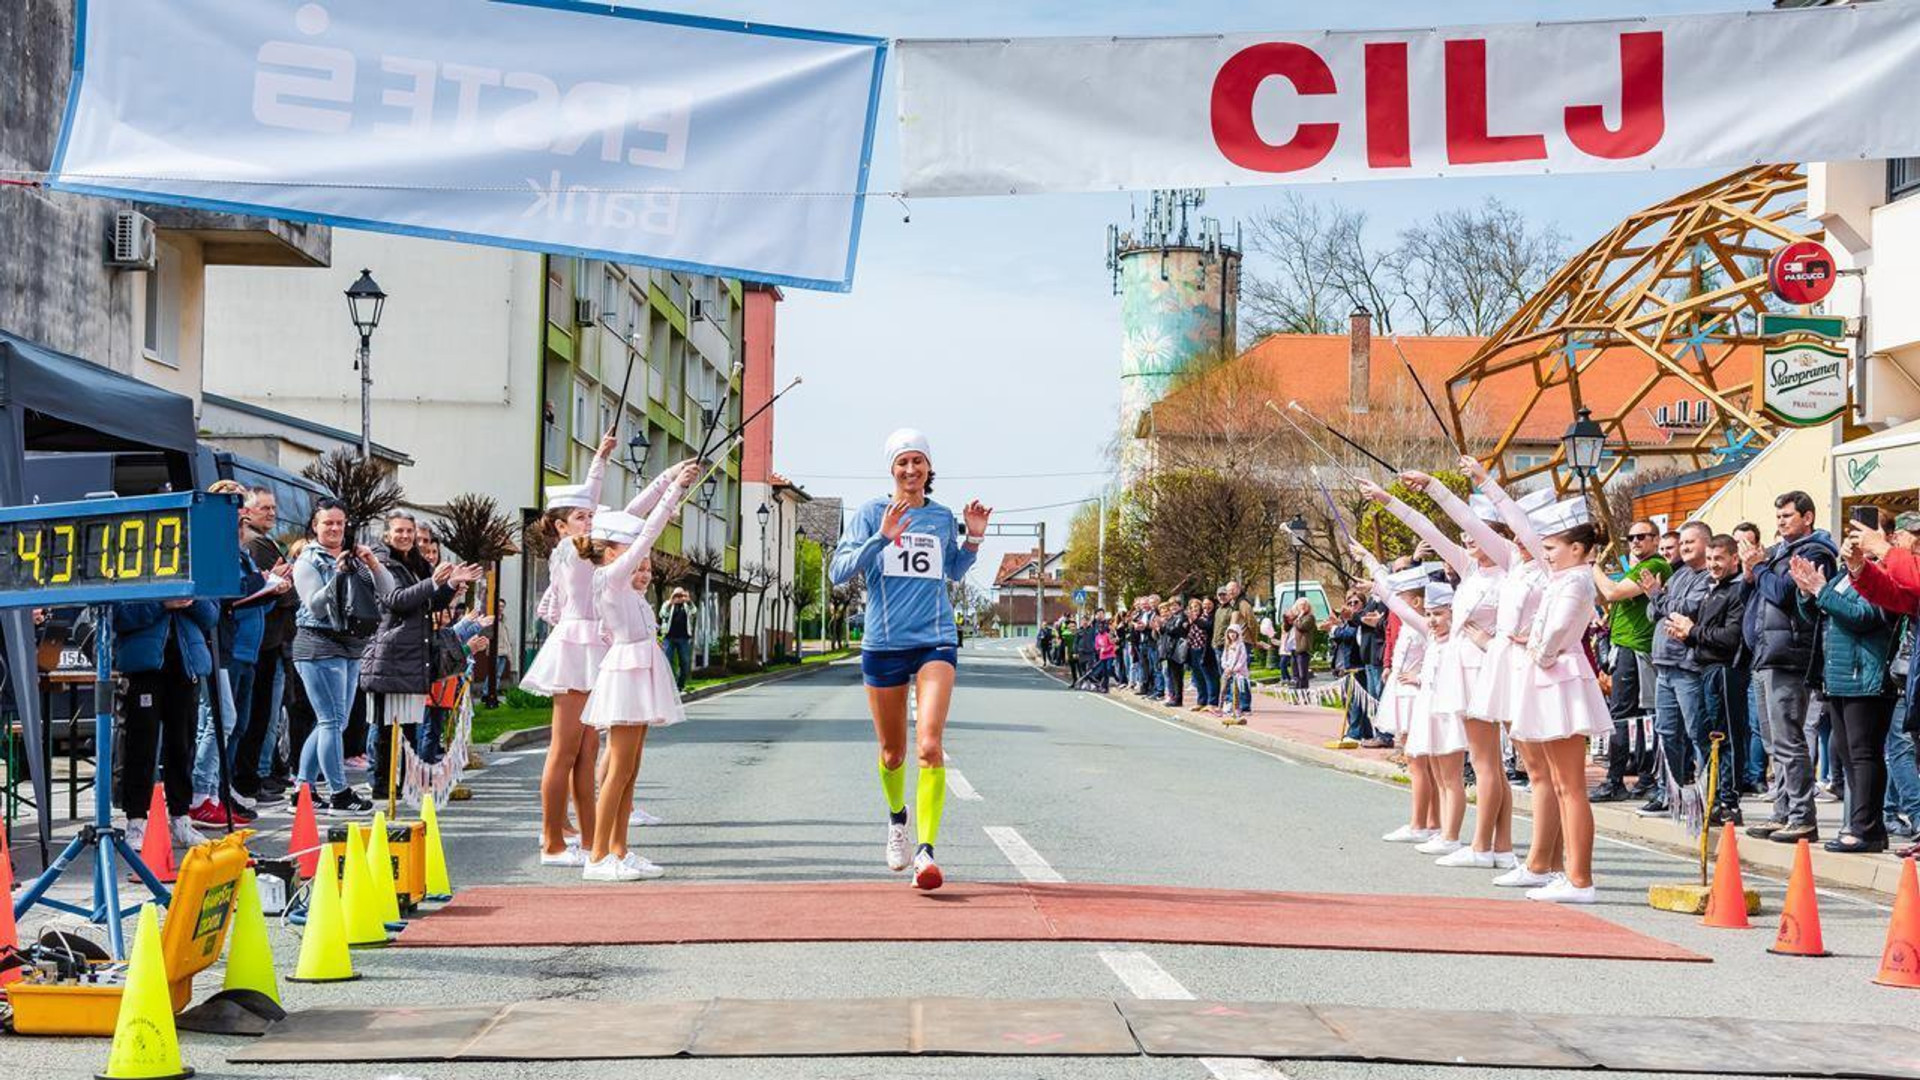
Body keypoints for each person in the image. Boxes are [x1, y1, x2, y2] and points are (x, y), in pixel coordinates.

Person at [830, 429, 989, 891]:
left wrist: (974, 540)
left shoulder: (940, 518)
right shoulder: (869, 515)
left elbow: (953, 571)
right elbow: (840, 572)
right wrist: (881, 539)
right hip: (883, 643)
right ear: (891, 469)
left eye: (918, 461)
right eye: (903, 462)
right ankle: (898, 820)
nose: (911, 470)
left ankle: (926, 852)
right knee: (893, 752)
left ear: (929, 469)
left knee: (929, 746)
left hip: (935, 639)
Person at [1375, 470, 1518, 870]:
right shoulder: (1471, 570)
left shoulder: (1508, 567)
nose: (1468, 539)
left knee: (1490, 764)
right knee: (1489, 764)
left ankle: (1482, 845)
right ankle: (1499, 848)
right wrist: (1390, 500)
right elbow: (1430, 529)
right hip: (1464, 671)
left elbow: (1464, 521)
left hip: (1486, 669)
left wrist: (1437, 488)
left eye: (1477, 533)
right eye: (1467, 536)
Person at [578, 460, 702, 881]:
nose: (641, 558)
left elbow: (643, 527)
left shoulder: (625, 583)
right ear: (612, 550)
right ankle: (597, 858)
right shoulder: (609, 577)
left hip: (641, 668)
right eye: (631, 550)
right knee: (618, 768)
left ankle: (619, 848)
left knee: (630, 768)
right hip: (626, 673)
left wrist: (671, 481)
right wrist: (674, 492)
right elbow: (648, 529)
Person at [1460, 471, 1561, 888]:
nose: (1520, 541)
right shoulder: (1516, 562)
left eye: (1527, 532)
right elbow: (1467, 527)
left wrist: (1487, 482)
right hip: (1512, 667)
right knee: (1537, 769)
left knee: (1544, 772)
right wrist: (1432, 491)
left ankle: (1543, 864)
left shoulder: (1544, 565)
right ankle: (1550, 862)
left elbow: (1511, 520)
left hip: (1535, 668)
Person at [1510, 497, 1612, 904]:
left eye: (1551, 548)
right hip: (1553, 677)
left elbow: (1554, 633)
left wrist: (1539, 652)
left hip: (1561, 677)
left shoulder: (1576, 581)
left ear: (1577, 548)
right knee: (1559, 782)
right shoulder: (1564, 578)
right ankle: (1569, 874)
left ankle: (1580, 878)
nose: (1546, 555)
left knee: (1570, 786)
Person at [1791, 523, 1898, 853]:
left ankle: (1866, 828)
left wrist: (1821, 590)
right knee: (1848, 755)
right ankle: (1864, 825)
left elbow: (1864, 616)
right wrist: (1806, 592)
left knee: (1864, 753)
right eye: (1850, 536)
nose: (1855, 542)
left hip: (1865, 677)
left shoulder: (1883, 575)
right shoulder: (1843, 575)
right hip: (1836, 676)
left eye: (1863, 536)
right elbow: (1819, 616)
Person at [362, 512, 482, 804]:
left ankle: (404, 782)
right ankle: (382, 784)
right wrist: (434, 582)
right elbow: (397, 600)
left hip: (414, 652)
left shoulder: (414, 562)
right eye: (399, 531)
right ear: (387, 534)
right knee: (387, 725)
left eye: (409, 531)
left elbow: (430, 602)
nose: (405, 536)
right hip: (391, 653)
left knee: (411, 726)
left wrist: (451, 585)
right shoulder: (382, 561)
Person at [1744, 491, 1840, 846]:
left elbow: (1783, 593)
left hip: (1791, 655)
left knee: (1789, 739)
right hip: (1768, 653)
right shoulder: (1779, 554)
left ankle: (1802, 816)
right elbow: (1755, 596)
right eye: (1779, 516)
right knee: (1774, 742)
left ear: (1808, 517)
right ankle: (1782, 811)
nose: (1781, 522)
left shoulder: (1815, 552)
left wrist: (1759, 567)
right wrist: (1752, 571)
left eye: (1788, 516)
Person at [291, 498, 393, 815]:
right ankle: (339, 793)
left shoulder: (352, 557)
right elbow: (316, 605)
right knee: (331, 721)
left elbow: (387, 590)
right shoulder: (308, 560)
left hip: (351, 645)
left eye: (339, 522)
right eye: (328, 523)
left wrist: (372, 563)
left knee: (333, 722)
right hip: (318, 645)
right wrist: (337, 575)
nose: (335, 528)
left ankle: (302, 792)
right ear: (315, 526)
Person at [116, 590, 222, 855]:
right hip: (144, 668)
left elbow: (211, 616)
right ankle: (136, 820)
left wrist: (192, 599)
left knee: (182, 745)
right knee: (141, 745)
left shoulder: (193, 567)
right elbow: (119, 616)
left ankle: (181, 816)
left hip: (186, 667)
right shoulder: (136, 569)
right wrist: (161, 603)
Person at [1353, 549, 1441, 847]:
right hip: (1402, 693)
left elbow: (1435, 658)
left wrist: (1370, 560)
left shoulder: (1419, 623)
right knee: (1418, 762)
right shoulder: (1410, 624)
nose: (1397, 602)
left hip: (1415, 694)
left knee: (1419, 762)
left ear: (1415, 601)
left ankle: (1422, 824)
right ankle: (1430, 823)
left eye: (1403, 597)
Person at [1848, 512, 1920, 852]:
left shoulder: (1904, 559)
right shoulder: (1905, 561)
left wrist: (1885, 551)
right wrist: (1860, 569)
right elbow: (1898, 597)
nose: (1906, 543)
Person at [1668, 534, 1749, 825]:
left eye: (1720, 559)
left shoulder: (1737, 591)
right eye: (1711, 559)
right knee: (1709, 735)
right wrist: (1687, 636)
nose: (1714, 565)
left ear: (1734, 560)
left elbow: (1731, 637)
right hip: (1706, 669)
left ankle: (1730, 801)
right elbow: (1705, 635)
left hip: (1727, 671)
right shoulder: (1713, 590)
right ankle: (1715, 795)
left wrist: (1693, 632)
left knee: (1726, 737)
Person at [1588, 520, 1670, 803]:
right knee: (1633, 716)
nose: (1634, 541)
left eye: (1641, 536)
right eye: (1630, 537)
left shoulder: (1656, 566)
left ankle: (1619, 780)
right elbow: (1604, 595)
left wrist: (1592, 564)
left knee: (1627, 716)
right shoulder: (1635, 568)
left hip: (1637, 649)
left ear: (1655, 539)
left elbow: (1612, 592)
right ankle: (1641, 777)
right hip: (1624, 646)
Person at [1640, 521, 1715, 820]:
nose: (1683, 548)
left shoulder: (1706, 576)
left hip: (1687, 666)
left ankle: (1708, 793)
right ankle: (1667, 791)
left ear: (1706, 545)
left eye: (1689, 543)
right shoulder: (1678, 573)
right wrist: (1659, 599)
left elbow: (1687, 608)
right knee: (1666, 731)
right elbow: (1652, 612)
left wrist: (1659, 597)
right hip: (1664, 664)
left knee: (1697, 732)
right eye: (1681, 543)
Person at [233, 485, 298, 808]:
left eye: (273, 508)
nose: (271, 513)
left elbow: (286, 592)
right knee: (255, 716)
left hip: (270, 639)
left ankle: (254, 777)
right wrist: (278, 587)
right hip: (260, 643)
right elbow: (278, 593)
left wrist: (281, 588)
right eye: (264, 508)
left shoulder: (264, 542)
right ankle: (249, 779)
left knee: (262, 716)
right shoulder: (256, 545)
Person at [660, 587, 696, 690]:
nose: (679, 598)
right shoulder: (667, 604)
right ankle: (672, 684)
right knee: (667, 661)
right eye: (677, 595)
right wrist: (671, 601)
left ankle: (680, 685)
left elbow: (694, 612)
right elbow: (662, 614)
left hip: (683, 638)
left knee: (685, 662)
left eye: (681, 595)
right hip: (669, 637)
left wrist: (689, 601)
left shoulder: (687, 606)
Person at [1220, 623, 1251, 725]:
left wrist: (1235, 668)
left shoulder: (1240, 645)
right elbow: (1224, 657)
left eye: (1234, 633)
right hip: (1229, 671)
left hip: (1240, 672)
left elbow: (1242, 659)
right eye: (1230, 633)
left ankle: (1245, 706)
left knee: (1242, 689)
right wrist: (1226, 667)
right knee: (1228, 688)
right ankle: (1230, 704)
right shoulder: (1228, 645)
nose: (1232, 635)